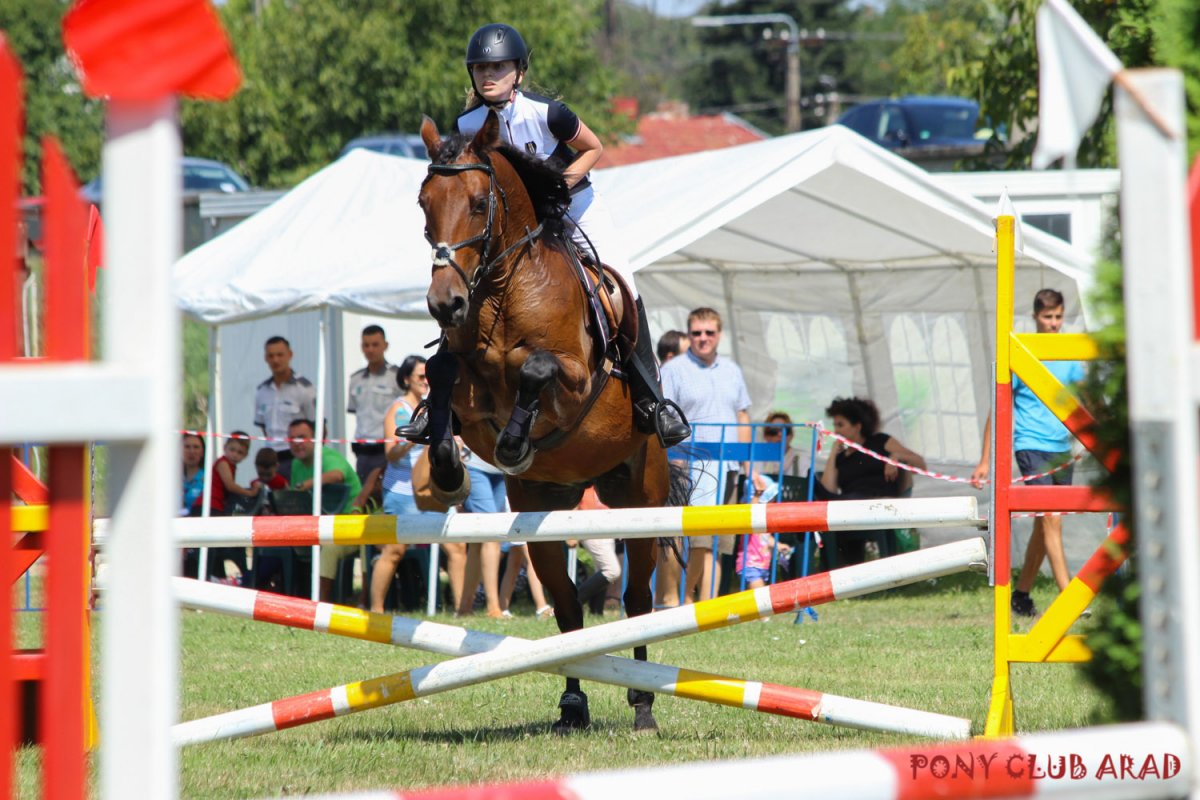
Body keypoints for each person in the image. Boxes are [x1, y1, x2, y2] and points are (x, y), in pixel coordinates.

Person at [399, 22, 689, 452]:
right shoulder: (468, 122)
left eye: (498, 66)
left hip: (574, 208)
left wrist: (560, 187)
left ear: (518, 71)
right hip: (512, 223)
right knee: (466, 283)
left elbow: (595, 148)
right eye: (480, 68)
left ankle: (652, 401)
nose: (488, 75)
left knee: (623, 288)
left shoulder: (548, 113)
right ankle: (439, 400)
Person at [972, 289, 1084, 618]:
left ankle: (1021, 594)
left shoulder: (1069, 354)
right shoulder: (1021, 353)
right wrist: (984, 460)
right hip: (1030, 446)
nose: (1053, 324)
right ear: (1035, 316)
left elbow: (1083, 402)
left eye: (1058, 317)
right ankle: (1069, 596)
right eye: (1047, 317)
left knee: (1045, 525)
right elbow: (998, 409)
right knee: (1050, 519)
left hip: (1062, 448)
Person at [662, 307, 763, 602]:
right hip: (691, 466)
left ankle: (708, 608)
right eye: (696, 333)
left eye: (709, 333)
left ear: (719, 335)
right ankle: (683, 598)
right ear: (689, 334)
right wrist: (674, 458)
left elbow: (742, 416)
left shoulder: (732, 371)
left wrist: (750, 466)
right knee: (698, 540)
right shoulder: (674, 370)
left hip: (729, 465)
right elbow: (665, 417)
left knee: (721, 543)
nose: (703, 338)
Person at [819, 397, 926, 568]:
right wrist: (833, 454)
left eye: (841, 425)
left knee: (843, 504)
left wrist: (896, 457)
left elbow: (920, 463)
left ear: (857, 426)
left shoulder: (880, 441)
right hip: (850, 505)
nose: (836, 430)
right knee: (825, 498)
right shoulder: (840, 458)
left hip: (878, 501)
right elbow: (828, 490)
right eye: (834, 425)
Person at [369, 356, 431, 614]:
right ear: (406, 379)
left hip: (430, 488)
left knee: (456, 546)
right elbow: (390, 454)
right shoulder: (398, 409)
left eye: (429, 376)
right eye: (420, 377)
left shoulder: (434, 407)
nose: (426, 381)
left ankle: (463, 611)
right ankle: (376, 609)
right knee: (394, 551)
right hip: (401, 491)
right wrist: (411, 439)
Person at [287, 418, 363, 602]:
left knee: (328, 548)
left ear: (314, 439)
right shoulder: (296, 464)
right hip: (318, 525)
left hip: (351, 523)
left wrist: (307, 484)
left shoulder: (326, 456)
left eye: (302, 437)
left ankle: (322, 602)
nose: (297, 443)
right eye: (292, 439)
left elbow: (338, 475)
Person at [254, 336, 316, 481]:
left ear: (290, 355)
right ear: (265, 358)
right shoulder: (261, 391)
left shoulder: (305, 388)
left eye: (280, 355)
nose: (275, 360)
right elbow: (264, 427)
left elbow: (317, 427)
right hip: (270, 460)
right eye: (271, 356)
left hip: (296, 458)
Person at [456, 438, 506, 617]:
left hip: (502, 467)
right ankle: (493, 607)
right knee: (492, 535)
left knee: (479, 541)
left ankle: (464, 607)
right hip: (474, 466)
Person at [348, 325, 400, 485]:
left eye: (375, 344)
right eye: (366, 345)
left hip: (386, 449)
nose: (370, 349)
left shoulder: (396, 376)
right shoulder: (355, 379)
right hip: (363, 451)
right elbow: (356, 412)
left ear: (385, 345)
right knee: (366, 501)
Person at [181, 433, 206, 515]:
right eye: (187, 447)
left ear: (202, 452)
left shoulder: (209, 478)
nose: (191, 451)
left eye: (196, 447)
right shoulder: (171, 478)